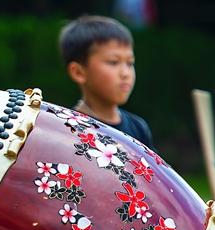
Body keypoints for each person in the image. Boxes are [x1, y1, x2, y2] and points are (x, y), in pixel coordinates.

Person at [61, 15, 153, 147]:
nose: (125, 73)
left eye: (130, 63)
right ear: (78, 72)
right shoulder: (68, 128)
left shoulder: (138, 128)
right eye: (113, 62)